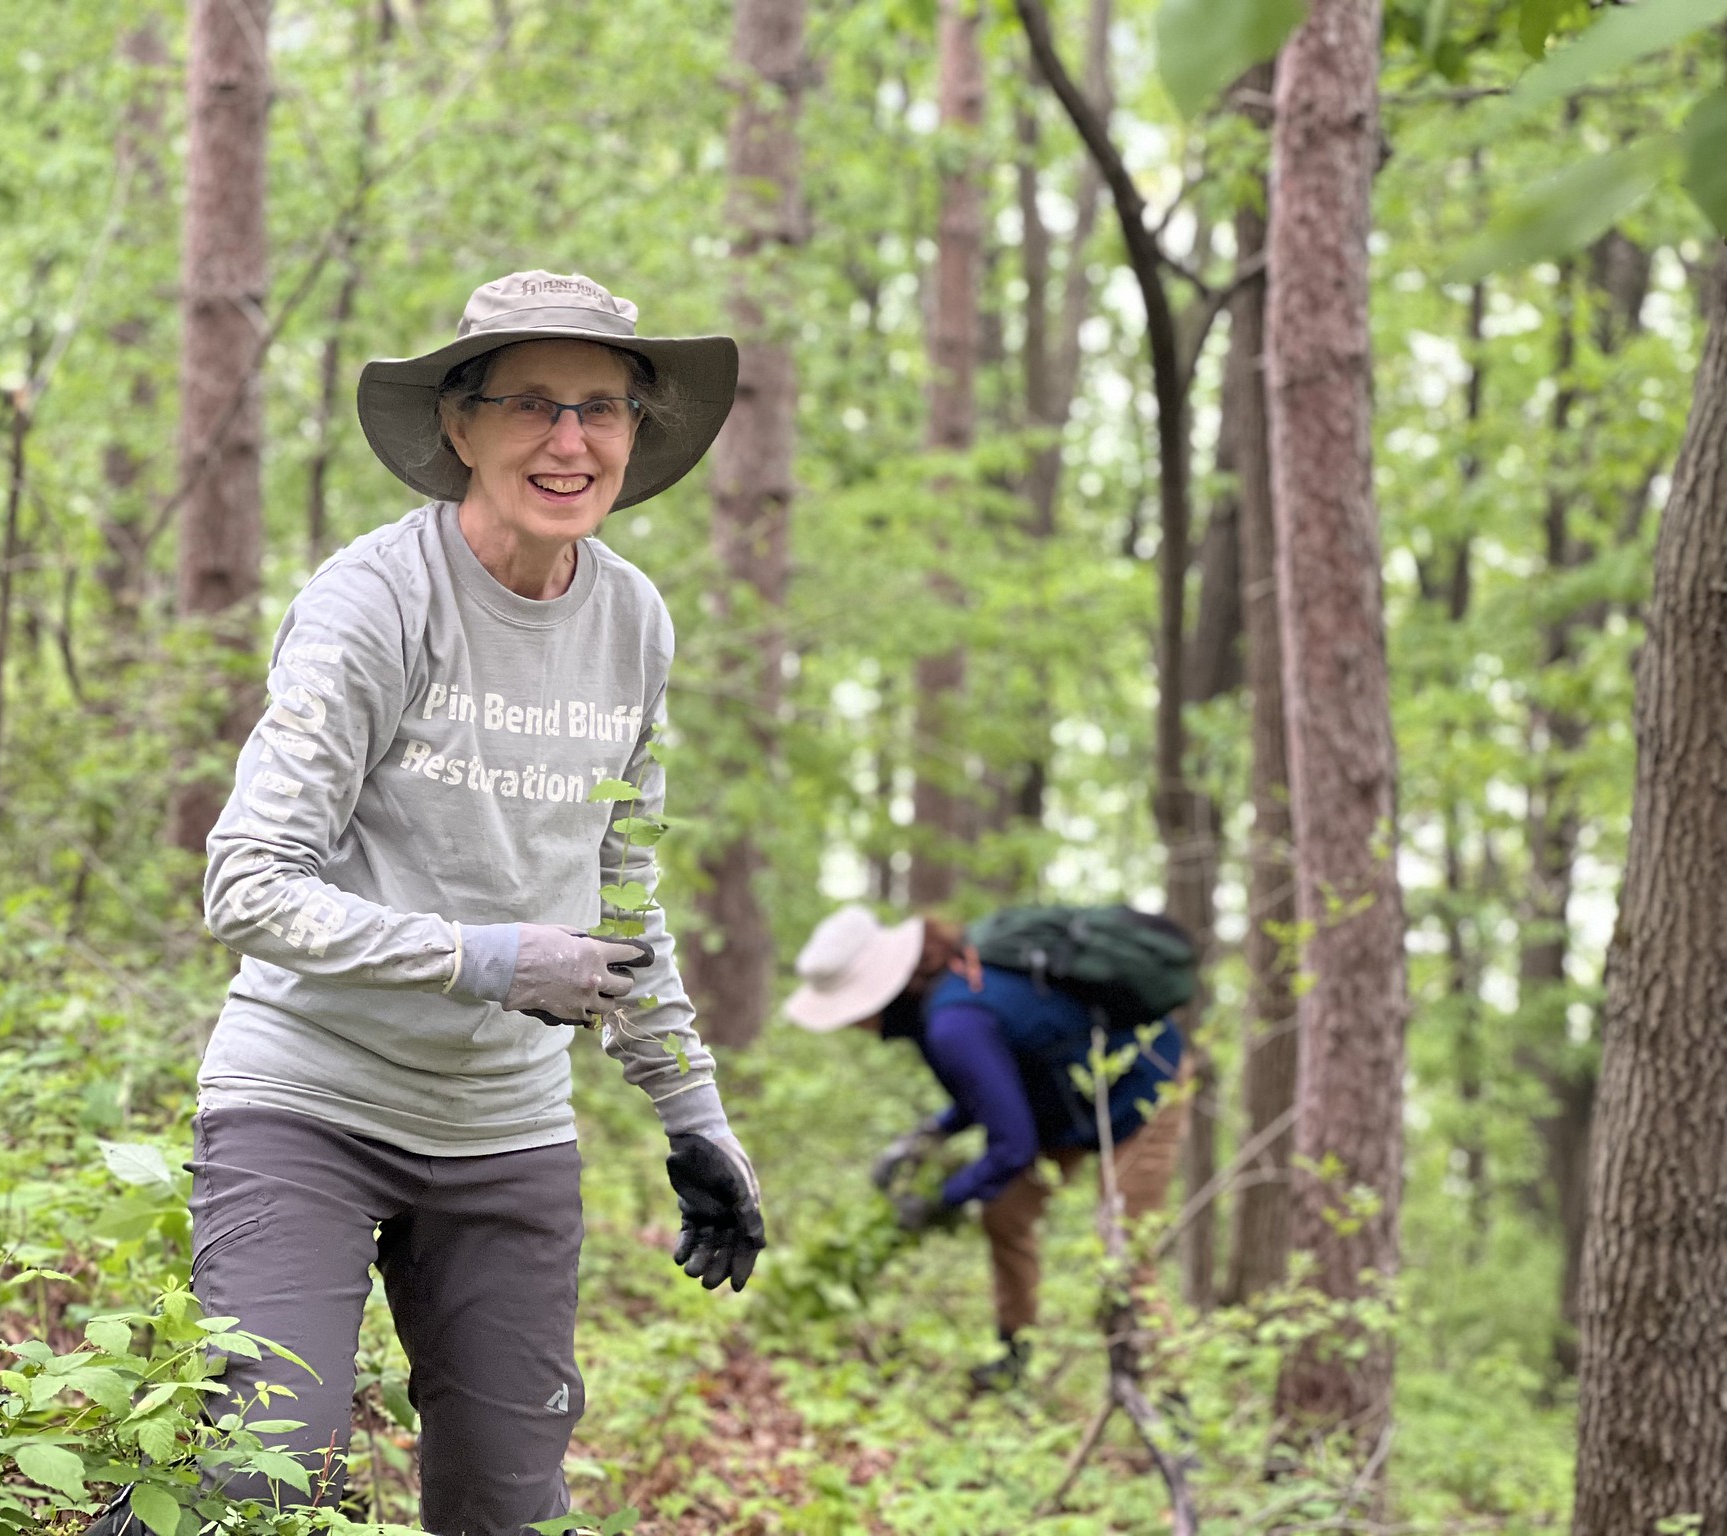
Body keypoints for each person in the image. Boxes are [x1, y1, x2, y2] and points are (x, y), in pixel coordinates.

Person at [92, 272, 765, 1536]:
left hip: (507, 1132)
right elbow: (246, 885)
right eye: (530, 404)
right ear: (457, 425)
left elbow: (623, 892)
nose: (569, 442)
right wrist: (487, 958)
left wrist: (695, 1117)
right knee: (257, 1477)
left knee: (503, 1510)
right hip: (307, 1100)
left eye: (600, 409)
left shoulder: (633, 621)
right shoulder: (373, 603)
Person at [784, 904, 1185, 1391]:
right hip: (1069, 1104)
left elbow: (1011, 1147)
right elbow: (995, 1092)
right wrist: (929, 1133)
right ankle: (1013, 1358)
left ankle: (1168, 1402)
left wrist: (939, 1200)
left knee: (1123, 1247)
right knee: (1005, 1214)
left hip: (1143, 1083)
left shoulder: (953, 1022)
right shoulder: (947, 990)